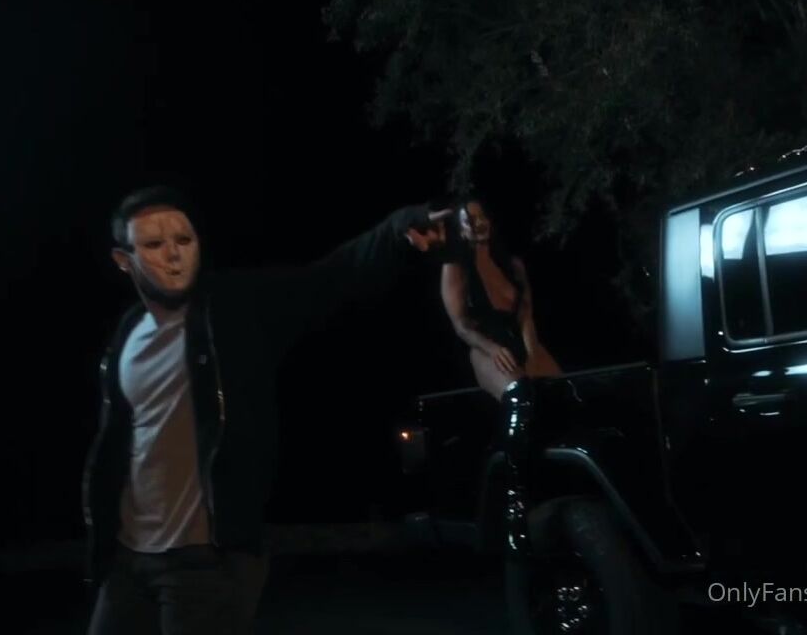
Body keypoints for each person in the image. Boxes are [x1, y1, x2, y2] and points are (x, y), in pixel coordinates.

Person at [83, 185, 450, 635]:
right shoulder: (128, 331)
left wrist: (397, 230)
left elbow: (331, 277)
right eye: (155, 244)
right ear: (125, 260)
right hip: (128, 558)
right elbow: (120, 441)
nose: (174, 255)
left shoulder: (236, 310)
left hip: (205, 561)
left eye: (184, 240)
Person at [439, 196, 562, 399]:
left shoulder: (513, 266)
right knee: (521, 397)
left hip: (522, 342)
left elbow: (526, 316)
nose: (480, 223)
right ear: (461, 231)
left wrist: (532, 356)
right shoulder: (455, 268)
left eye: (482, 217)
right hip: (486, 347)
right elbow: (461, 326)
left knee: (564, 393)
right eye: (471, 220)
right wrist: (493, 349)